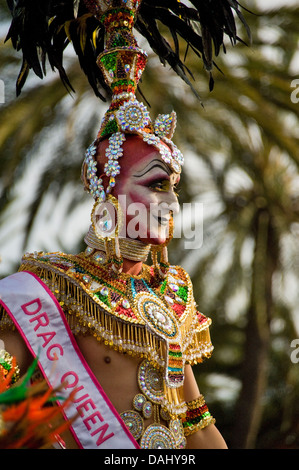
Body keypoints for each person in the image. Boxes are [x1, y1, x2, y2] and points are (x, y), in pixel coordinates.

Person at [0, 0, 248, 449]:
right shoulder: (54, 288)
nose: (172, 201)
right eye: (155, 183)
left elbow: (197, 424)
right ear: (107, 194)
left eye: (174, 185)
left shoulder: (172, 295)